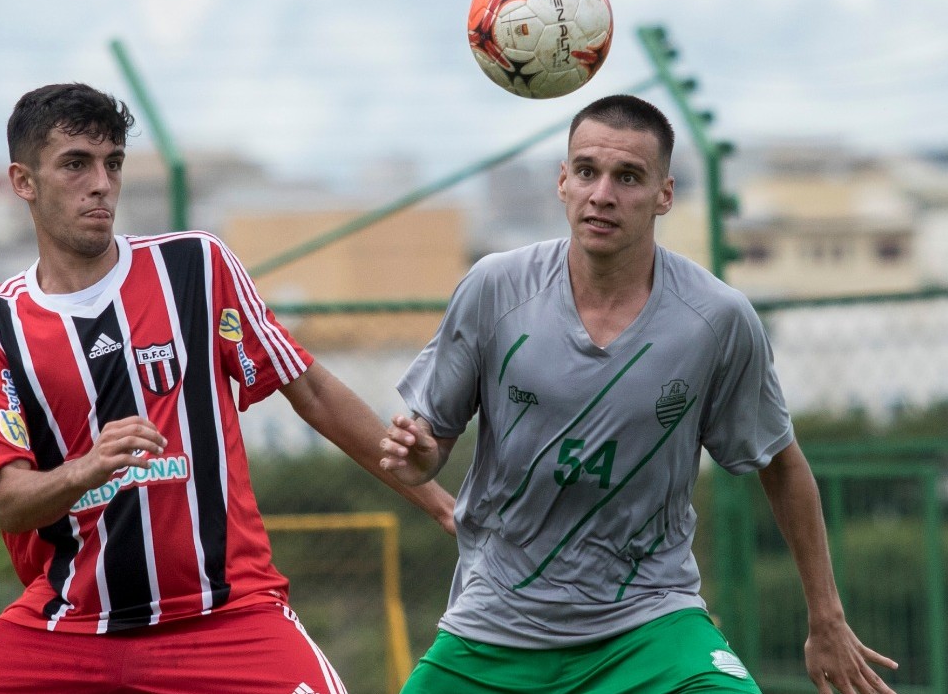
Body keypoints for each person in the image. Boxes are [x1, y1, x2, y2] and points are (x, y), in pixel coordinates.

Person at [0, 82, 455, 694]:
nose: (100, 183)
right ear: (23, 182)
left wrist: (445, 505)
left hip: (226, 615)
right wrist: (86, 468)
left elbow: (307, 389)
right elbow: (10, 501)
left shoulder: (197, 267)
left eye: (113, 163)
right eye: (76, 163)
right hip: (70, 626)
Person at [380, 94, 899, 694]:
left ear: (664, 195)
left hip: (648, 620)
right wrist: (422, 458)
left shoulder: (716, 319)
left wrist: (825, 617)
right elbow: (430, 439)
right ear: (563, 183)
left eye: (628, 177)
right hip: (497, 622)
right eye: (586, 172)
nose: (603, 194)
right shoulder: (494, 289)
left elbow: (783, 467)